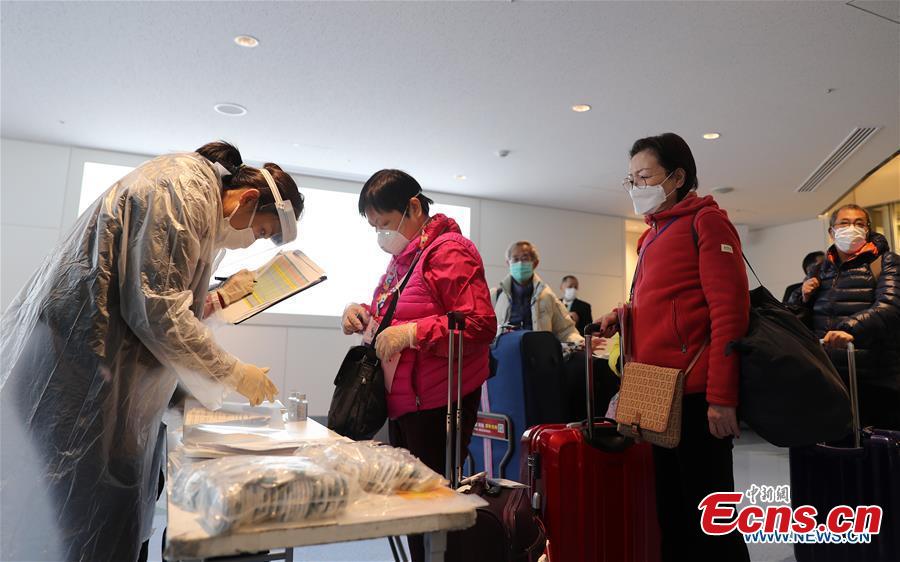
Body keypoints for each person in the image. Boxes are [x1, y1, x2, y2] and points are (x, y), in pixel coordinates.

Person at [0, 141, 302, 562]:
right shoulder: (183, 192)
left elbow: (151, 294)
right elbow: (159, 313)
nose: (251, 242)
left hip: (93, 364)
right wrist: (233, 372)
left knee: (112, 508)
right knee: (88, 515)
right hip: (72, 369)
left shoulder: (196, 197)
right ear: (248, 198)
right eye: (262, 231)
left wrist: (218, 300)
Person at [597, 132, 750, 562]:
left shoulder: (707, 222)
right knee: (672, 515)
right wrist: (623, 314)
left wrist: (722, 397)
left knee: (710, 522)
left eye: (645, 176)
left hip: (697, 394)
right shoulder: (651, 235)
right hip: (657, 391)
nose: (637, 187)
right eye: (631, 179)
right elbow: (665, 301)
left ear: (678, 177)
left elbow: (730, 312)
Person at [340, 169, 496, 562]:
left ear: (413, 207)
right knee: (412, 509)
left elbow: (480, 325)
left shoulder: (450, 251)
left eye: (385, 223)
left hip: (437, 403)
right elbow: (391, 309)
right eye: (374, 227)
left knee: (430, 511)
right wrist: (361, 312)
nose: (381, 234)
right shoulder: (402, 259)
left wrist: (413, 334)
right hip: (405, 401)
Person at [795, 204, 900, 430]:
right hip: (829, 376)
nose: (851, 228)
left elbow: (890, 307)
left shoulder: (885, 262)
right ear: (832, 231)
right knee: (834, 443)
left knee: (876, 446)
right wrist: (801, 296)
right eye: (844, 223)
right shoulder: (819, 269)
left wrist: (848, 329)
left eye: (859, 223)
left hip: (873, 377)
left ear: (868, 230)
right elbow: (797, 317)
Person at [493, 241, 583, 344]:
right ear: (508, 263)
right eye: (515, 259)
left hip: (537, 352)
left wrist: (582, 342)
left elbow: (566, 331)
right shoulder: (496, 296)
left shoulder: (547, 296)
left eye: (525, 258)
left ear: (535, 263)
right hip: (505, 352)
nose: (520, 263)